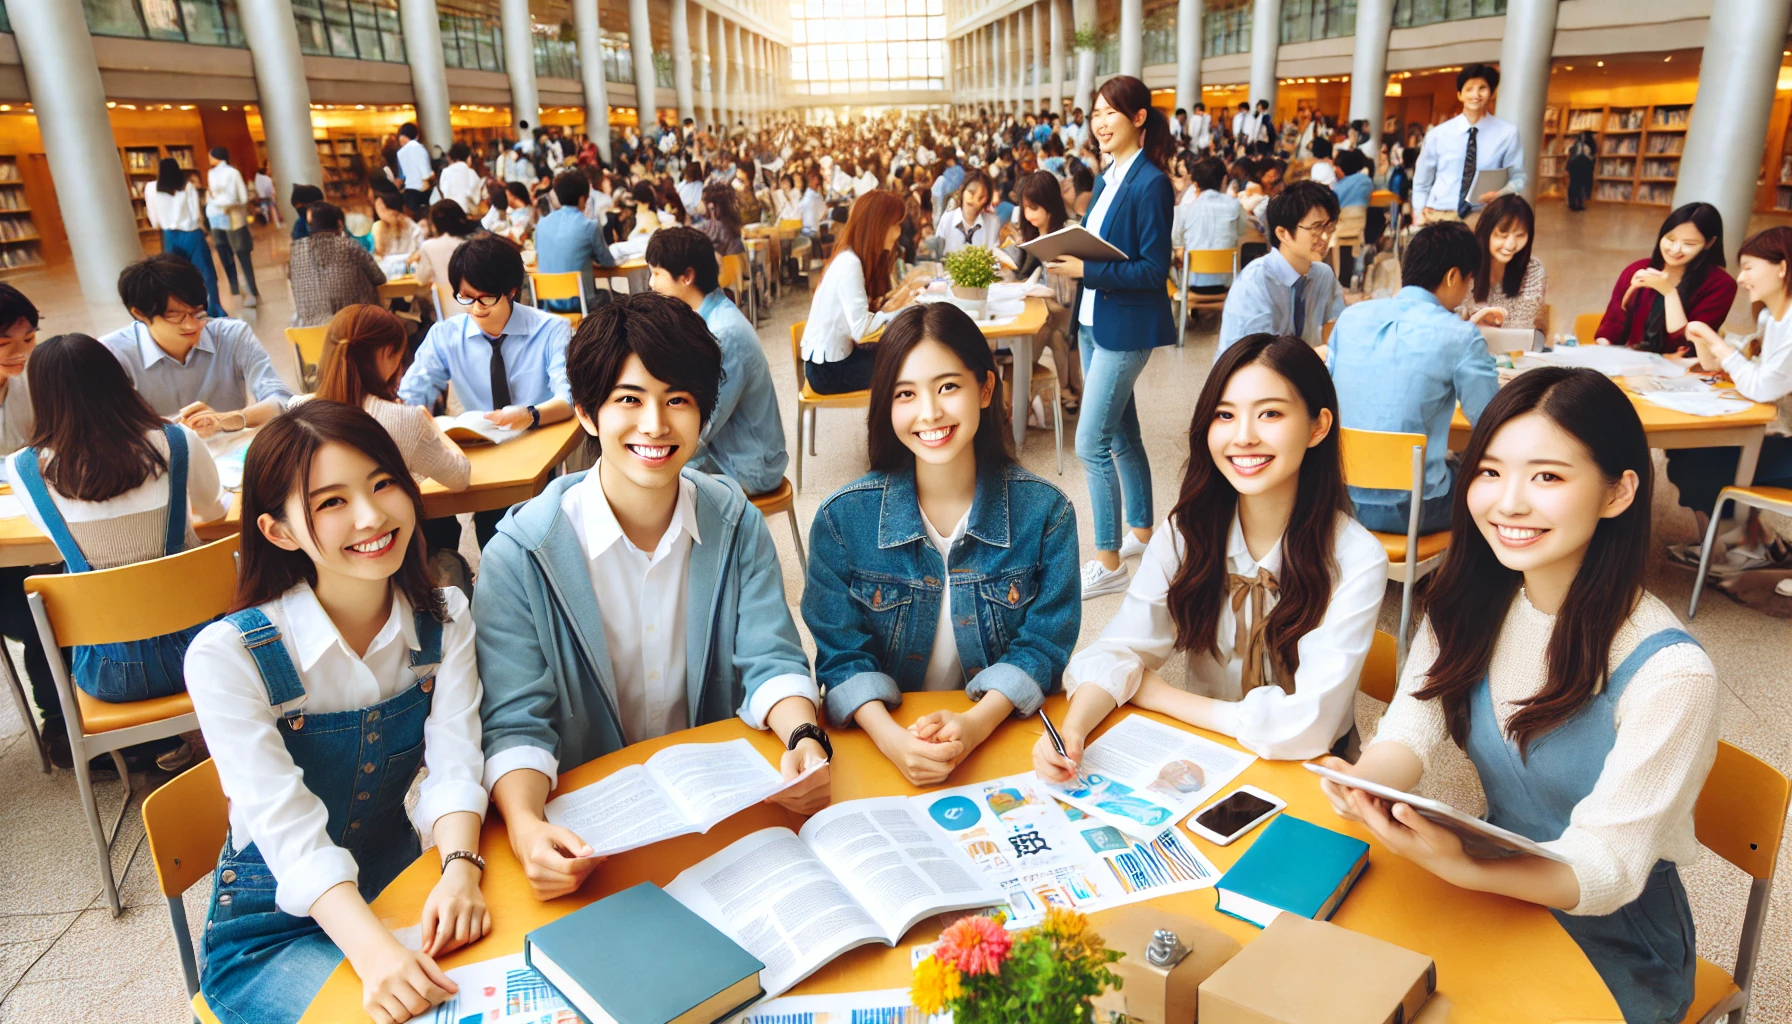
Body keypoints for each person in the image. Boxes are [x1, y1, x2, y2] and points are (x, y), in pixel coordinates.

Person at [1316, 368, 1717, 1024]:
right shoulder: (1471, 600)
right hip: (1489, 884)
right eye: (1491, 472)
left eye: (1548, 477)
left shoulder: (1670, 673)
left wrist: (1465, 870)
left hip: (1612, 939)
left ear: (1618, 493)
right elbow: (1411, 729)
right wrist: (1366, 785)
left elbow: (1606, 867)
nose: (1508, 503)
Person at [473, 293, 831, 902]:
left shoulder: (733, 518)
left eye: (678, 401)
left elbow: (770, 655)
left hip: (718, 820)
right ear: (587, 413)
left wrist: (803, 738)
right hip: (592, 844)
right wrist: (528, 827)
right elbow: (515, 721)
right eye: (629, 400)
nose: (655, 425)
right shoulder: (520, 556)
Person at [186, 401, 491, 1024]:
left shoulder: (445, 617)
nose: (372, 515)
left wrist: (460, 869)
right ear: (279, 531)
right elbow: (289, 833)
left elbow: (457, 761)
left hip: (405, 886)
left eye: (383, 484)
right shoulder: (230, 655)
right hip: (273, 933)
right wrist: (377, 956)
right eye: (331, 502)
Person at [1036, 335, 1384, 768]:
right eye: (1225, 415)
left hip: (1312, 774)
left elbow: (1308, 727)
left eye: (1270, 413)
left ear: (1318, 426)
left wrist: (1161, 697)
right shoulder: (1187, 533)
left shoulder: (1356, 558)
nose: (1244, 437)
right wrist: (1073, 729)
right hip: (1205, 761)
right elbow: (1119, 648)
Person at [805, 304, 1080, 785]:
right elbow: (841, 654)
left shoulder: (1047, 514)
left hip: (999, 742)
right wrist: (893, 741)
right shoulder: (842, 519)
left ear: (986, 388)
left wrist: (973, 726)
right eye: (905, 393)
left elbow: (1042, 646)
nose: (929, 412)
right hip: (881, 746)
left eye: (948, 386)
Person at [9, 333, 227, 727]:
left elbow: (52, 534)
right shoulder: (178, 442)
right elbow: (214, 512)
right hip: (209, 654)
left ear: (40, 395)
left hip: (108, 675)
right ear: (117, 379)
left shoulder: (23, 469)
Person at [1043, 76, 1176, 601]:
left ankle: (1107, 561)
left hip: (1126, 327)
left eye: (1110, 113)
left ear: (1138, 118)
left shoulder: (1151, 183)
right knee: (1121, 436)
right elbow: (1103, 248)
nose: (1099, 122)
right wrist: (1073, 250)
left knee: (1089, 442)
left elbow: (1151, 271)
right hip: (1096, 323)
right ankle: (1141, 531)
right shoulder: (1106, 178)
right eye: (1095, 113)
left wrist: (1084, 269)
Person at [398, 235, 574, 547]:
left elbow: (569, 397)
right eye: (465, 297)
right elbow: (412, 393)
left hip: (538, 447)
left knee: (542, 532)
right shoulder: (446, 335)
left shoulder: (550, 330)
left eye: (486, 298)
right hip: (480, 453)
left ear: (512, 291)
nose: (476, 308)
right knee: (490, 539)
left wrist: (530, 415)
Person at [1328, 222, 1499, 535]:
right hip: (1411, 509)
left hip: (1337, 498)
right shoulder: (1460, 337)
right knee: (1490, 476)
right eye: (1469, 280)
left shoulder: (1351, 317)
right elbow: (1491, 421)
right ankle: (1466, 581)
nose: (1468, 290)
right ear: (1452, 276)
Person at [645, 227, 789, 495]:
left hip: (748, 465)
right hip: (728, 448)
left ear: (687, 277)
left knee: (649, 484)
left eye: (656, 274)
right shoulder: (703, 317)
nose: (651, 284)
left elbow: (703, 424)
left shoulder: (724, 335)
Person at [1670, 226, 1792, 531]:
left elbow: (1762, 387)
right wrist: (1708, 342)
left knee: (1698, 466)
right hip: (1782, 433)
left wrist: (1717, 342)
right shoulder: (1772, 318)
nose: (1741, 278)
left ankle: (1733, 546)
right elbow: (1749, 359)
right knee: (1687, 451)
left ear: (1783, 268)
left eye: (1749, 268)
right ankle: (1742, 542)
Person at [99, 254, 293, 434]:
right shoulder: (112, 354)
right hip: (162, 461)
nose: (191, 325)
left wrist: (227, 419)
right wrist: (177, 432)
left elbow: (283, 400)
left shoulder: (232, 336)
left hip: (232, 455)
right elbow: (107, 431)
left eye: (197, 313)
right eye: (174, 316)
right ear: (140, 313)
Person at [303, 305, 470, 494]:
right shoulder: (404, 420)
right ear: (387, 353)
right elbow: (460, 477)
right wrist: (432, 425)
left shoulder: (300, 411)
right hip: (397, 522)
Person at [0, 286, 63, 762]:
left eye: (29, 339)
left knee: (73, 587)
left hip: (35, 528)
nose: (22, 354)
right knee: (43, 607)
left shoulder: (32, 380)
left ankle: (85, 712)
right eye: (7, 345)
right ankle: (60, 725)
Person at [802, 190, 922, 395]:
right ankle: (892, 425)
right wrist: (897, 312)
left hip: (832, 362)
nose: (898, 232)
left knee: (906, 356)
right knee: (911, 365)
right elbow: (860, 330)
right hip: (828, 371)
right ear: (879, 226)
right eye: (897, 225)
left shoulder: (849, 256)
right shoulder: (850, 263)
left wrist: (891, 307)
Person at [1217, 181, 1345, 359]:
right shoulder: (1255, 283)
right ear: (1283, 233)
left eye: (1329, 227)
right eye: (1315, 228)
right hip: (1248, 379)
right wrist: (1315, 356)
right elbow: (1256, 360)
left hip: (1299, 377)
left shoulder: (1323, 275)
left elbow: (1333, 326)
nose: (1325, 237)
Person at [1595, 202, 1735, 353]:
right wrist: (1602, 348)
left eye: (1689, 243)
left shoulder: (1721, 285)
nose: (1675, 250)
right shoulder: (1637, 269)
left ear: (1709, 243)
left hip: (1680, 370)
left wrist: (1668, 292)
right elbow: (1613, 324)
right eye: (1670, 239)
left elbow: (1689, 344)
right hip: (1632, 363)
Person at [1005, 171, 1083, 411]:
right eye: (1025, 209)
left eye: (1034, 208)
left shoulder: (1069, 231)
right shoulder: (1031, 234)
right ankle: (1065, 390)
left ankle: (1019, 381)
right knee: (1053, 333)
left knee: (1049, 322)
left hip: (1072, 310)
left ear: (1049, 204)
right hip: (1054, 310)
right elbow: (1019, 273)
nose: (1029, 216)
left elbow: (1075, 285)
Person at [1412, 64, 1525, 225]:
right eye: (1469, 89)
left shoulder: (1507, 133)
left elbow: (1518, 176)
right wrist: (1418, 212)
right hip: (1439, 214)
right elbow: (1422, 179)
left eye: (1482, 88)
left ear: (1492, 94)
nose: (1476, 95)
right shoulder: (1438, 134)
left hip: (1481, 215)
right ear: (1460, 95)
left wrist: (1502, 193)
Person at [143, 158, 225, 318]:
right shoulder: (187, 186)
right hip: (192, 234)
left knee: (175, 277)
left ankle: (184, 312)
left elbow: (154, 219)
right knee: (206, 274)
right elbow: (195, 214)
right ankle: (214, 309)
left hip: (170, 236)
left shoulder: (151, 188)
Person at [289, 202, 388, 328]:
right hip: (356, 329)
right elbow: (379, 278)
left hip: (313, 335)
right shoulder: (349, 246)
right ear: (340, 223)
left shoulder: (296, 252)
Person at [1459, 193, 1546, 332]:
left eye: (1520, 235)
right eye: (1502, 235)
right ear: (1486, 232)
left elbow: (1521, 329)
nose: (1511, 245)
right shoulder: (1464, 266)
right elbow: (1454, 326)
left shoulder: (1533, 270)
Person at [533, 172, 617, 314]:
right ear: (582, 198)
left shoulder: (542, 224)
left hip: (548, 304)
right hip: (581, 303)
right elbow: (608, 262)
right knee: (611, 297)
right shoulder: (589, 226)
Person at [1174, 156, 1251, 295]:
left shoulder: (1185, 208)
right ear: (1224, 180)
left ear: (1196, 184)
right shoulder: (1234, 205)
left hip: (1193, 283)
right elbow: (1242, 232)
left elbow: (1177, 240)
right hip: (1227, 282)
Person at [206, 147, 260, 309]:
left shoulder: (224, 173)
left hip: (221, 219)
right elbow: (242, 197)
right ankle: (249, 289)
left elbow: (237, 197)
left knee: (229, 255)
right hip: (229, 218)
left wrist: (220, 204)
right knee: (240, 255)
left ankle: (238, 288)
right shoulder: (227, 173)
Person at [413, 200, 479, 296]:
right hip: (476, 302)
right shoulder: (474, 243)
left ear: (434, 225)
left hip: (447, 305)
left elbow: (421, 279)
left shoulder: (428, 247)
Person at [937, 170, 1001, 254]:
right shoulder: (947, 219)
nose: (974, 199)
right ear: (962, 191)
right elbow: (936, 253)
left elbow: (994, 257)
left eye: (981, 197)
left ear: (987, 200)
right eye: (971, 192)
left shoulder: (992, 222)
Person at [395, 122, 434, 217]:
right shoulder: (420, 149)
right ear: (416, 135)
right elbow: (426, 173)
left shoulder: (400, 153)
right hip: (423, 191)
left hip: (409, 192)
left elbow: (401, 176)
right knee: (424, 218)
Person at [371, 193, 425, 262]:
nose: (378, 210)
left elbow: (418, 254)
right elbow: (378, 256)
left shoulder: (413, 229)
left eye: (381, 207)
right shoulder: (378, 227)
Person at [437, 142, 484, 215]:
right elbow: (478, 195)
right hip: (467, 213)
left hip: (449, 213)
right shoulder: (470, 172)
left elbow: (443, 191)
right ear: (468, 157)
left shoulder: (445, 172)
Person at [1566, 130, 1596, 213]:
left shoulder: (1574, 146)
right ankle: (1580, 204)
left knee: (1573, 186)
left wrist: (1568, 169)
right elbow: (1592, 157)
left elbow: (1570, 157)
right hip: (1584, 168)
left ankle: (1572, 203)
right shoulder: (1589, 146)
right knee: (1581, 186)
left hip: (1574, 168)